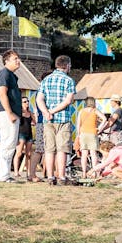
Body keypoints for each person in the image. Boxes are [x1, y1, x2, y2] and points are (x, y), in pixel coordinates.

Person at [37, 55, 76, 185]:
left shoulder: (46, 80)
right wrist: (52, 111)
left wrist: (46, 112)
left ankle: (50, 177)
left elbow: (39, 99)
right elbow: (68, 100)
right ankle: (62, 176)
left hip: (48, 120)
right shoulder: (69, 81)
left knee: (49, 149)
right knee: (62, 149)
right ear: (67, 65)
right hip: (63, 119)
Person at [0, 50, 23, 183]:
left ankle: (5, 174)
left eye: (18, 58)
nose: (18, 61)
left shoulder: (12, 76)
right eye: (15, 59)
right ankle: (3, 176)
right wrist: (10, 113)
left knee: (10, 144)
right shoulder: (4, 73)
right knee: (7, 144)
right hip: (6, 113)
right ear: (7, 61)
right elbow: (2, 93)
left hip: (11, 113)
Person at [78, 97, 105, 177]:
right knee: (93, 154)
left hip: (83, 133)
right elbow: (104, 119)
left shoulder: (81, 111)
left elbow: (78, 124)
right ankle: (94, 172)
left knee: (84, 154)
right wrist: (99, 128)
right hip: (93, 133)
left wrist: (78, 135)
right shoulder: (95, 110)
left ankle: (83, 173)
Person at [13, 96, 37, 178]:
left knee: (29, 154)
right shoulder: (19, 113)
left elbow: (34, 122)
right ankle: (16, 172)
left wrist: (35, 113)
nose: (27, 103)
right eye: (24, 102)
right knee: (19, 153)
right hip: (21, 134)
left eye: (27, 101)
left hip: (29, 134)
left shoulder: (30, 113)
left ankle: (28, 173)